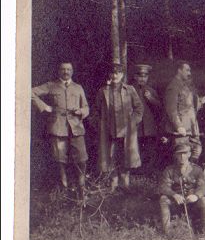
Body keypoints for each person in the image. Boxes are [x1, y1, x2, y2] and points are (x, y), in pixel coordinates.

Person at [31, 61, 89, 194]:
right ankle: (64, 187)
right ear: (58, 71)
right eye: (63, 69)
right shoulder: (51, 86)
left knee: (81, 158)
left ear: (72, 71)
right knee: (59, 159)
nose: (66, 72)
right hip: (58, 127)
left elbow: (86, 107)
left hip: (76, 127)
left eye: (69, 69)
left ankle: (81, 187)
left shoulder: (78, 87)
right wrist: (44, 107)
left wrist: (82, 111)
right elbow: (30, 92)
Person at [95, 62, 144, 192]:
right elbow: (96, 111)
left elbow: (139, 108)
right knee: (110, 157)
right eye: (112, 72)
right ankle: (113, 184)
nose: (115, 75)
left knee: (126, 156)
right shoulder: (103, 91)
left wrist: (133, 122)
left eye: (117, 73)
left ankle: (125, 185)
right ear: (109, 75)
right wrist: (100, 125)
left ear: (122, 75)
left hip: (126, 132)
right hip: (109, 131)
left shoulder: (130, 90)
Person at [158, 144, 205, 235]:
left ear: (189, 154)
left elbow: (203, 187)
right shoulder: (169, 170)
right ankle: (167, 232)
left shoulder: (197, 169)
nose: (182, 156)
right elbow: (163, 187)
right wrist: (174, 194)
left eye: (185, 153)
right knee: (163, 199)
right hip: (177, 202)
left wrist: (196, 196)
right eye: (179, 154)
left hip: (192, 202)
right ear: (175, 155)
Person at [164, 60, 201, 163]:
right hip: (182, 129)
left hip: (190, 127)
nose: (189, 73)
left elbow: (188, 106)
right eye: (187, 70)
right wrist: (178, 126)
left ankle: (191, 175)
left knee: (195, 152)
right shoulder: (173, 87)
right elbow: (171, 109)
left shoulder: (184, 86)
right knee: (181, 156)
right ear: (179, 70)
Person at [132, 64, 161, 172]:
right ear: (135, 77)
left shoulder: (151, 91)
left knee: (150, 150)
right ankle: (136, 171)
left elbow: (159, 107)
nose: (142, 79)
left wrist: (151, 99)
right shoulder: (130, 90)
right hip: (136, 126)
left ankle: (148, 171)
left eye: (145, 76)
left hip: (149, 127)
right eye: (140, 76)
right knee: (136, 149)